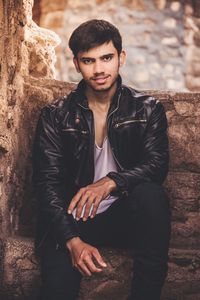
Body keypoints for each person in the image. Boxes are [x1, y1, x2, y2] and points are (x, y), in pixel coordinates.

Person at [32, 19, 171, 300]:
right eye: (88, 60)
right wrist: (72, 241)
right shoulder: (55, 115)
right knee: (56, 290)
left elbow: (156, 166)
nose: (98, 69)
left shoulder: (148, 109)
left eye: (107, 58)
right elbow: (47, 184)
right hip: (73, 219)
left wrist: (110, 182)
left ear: (121, 57)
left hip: (124, 217)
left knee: (152, 196)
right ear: (76, 64)